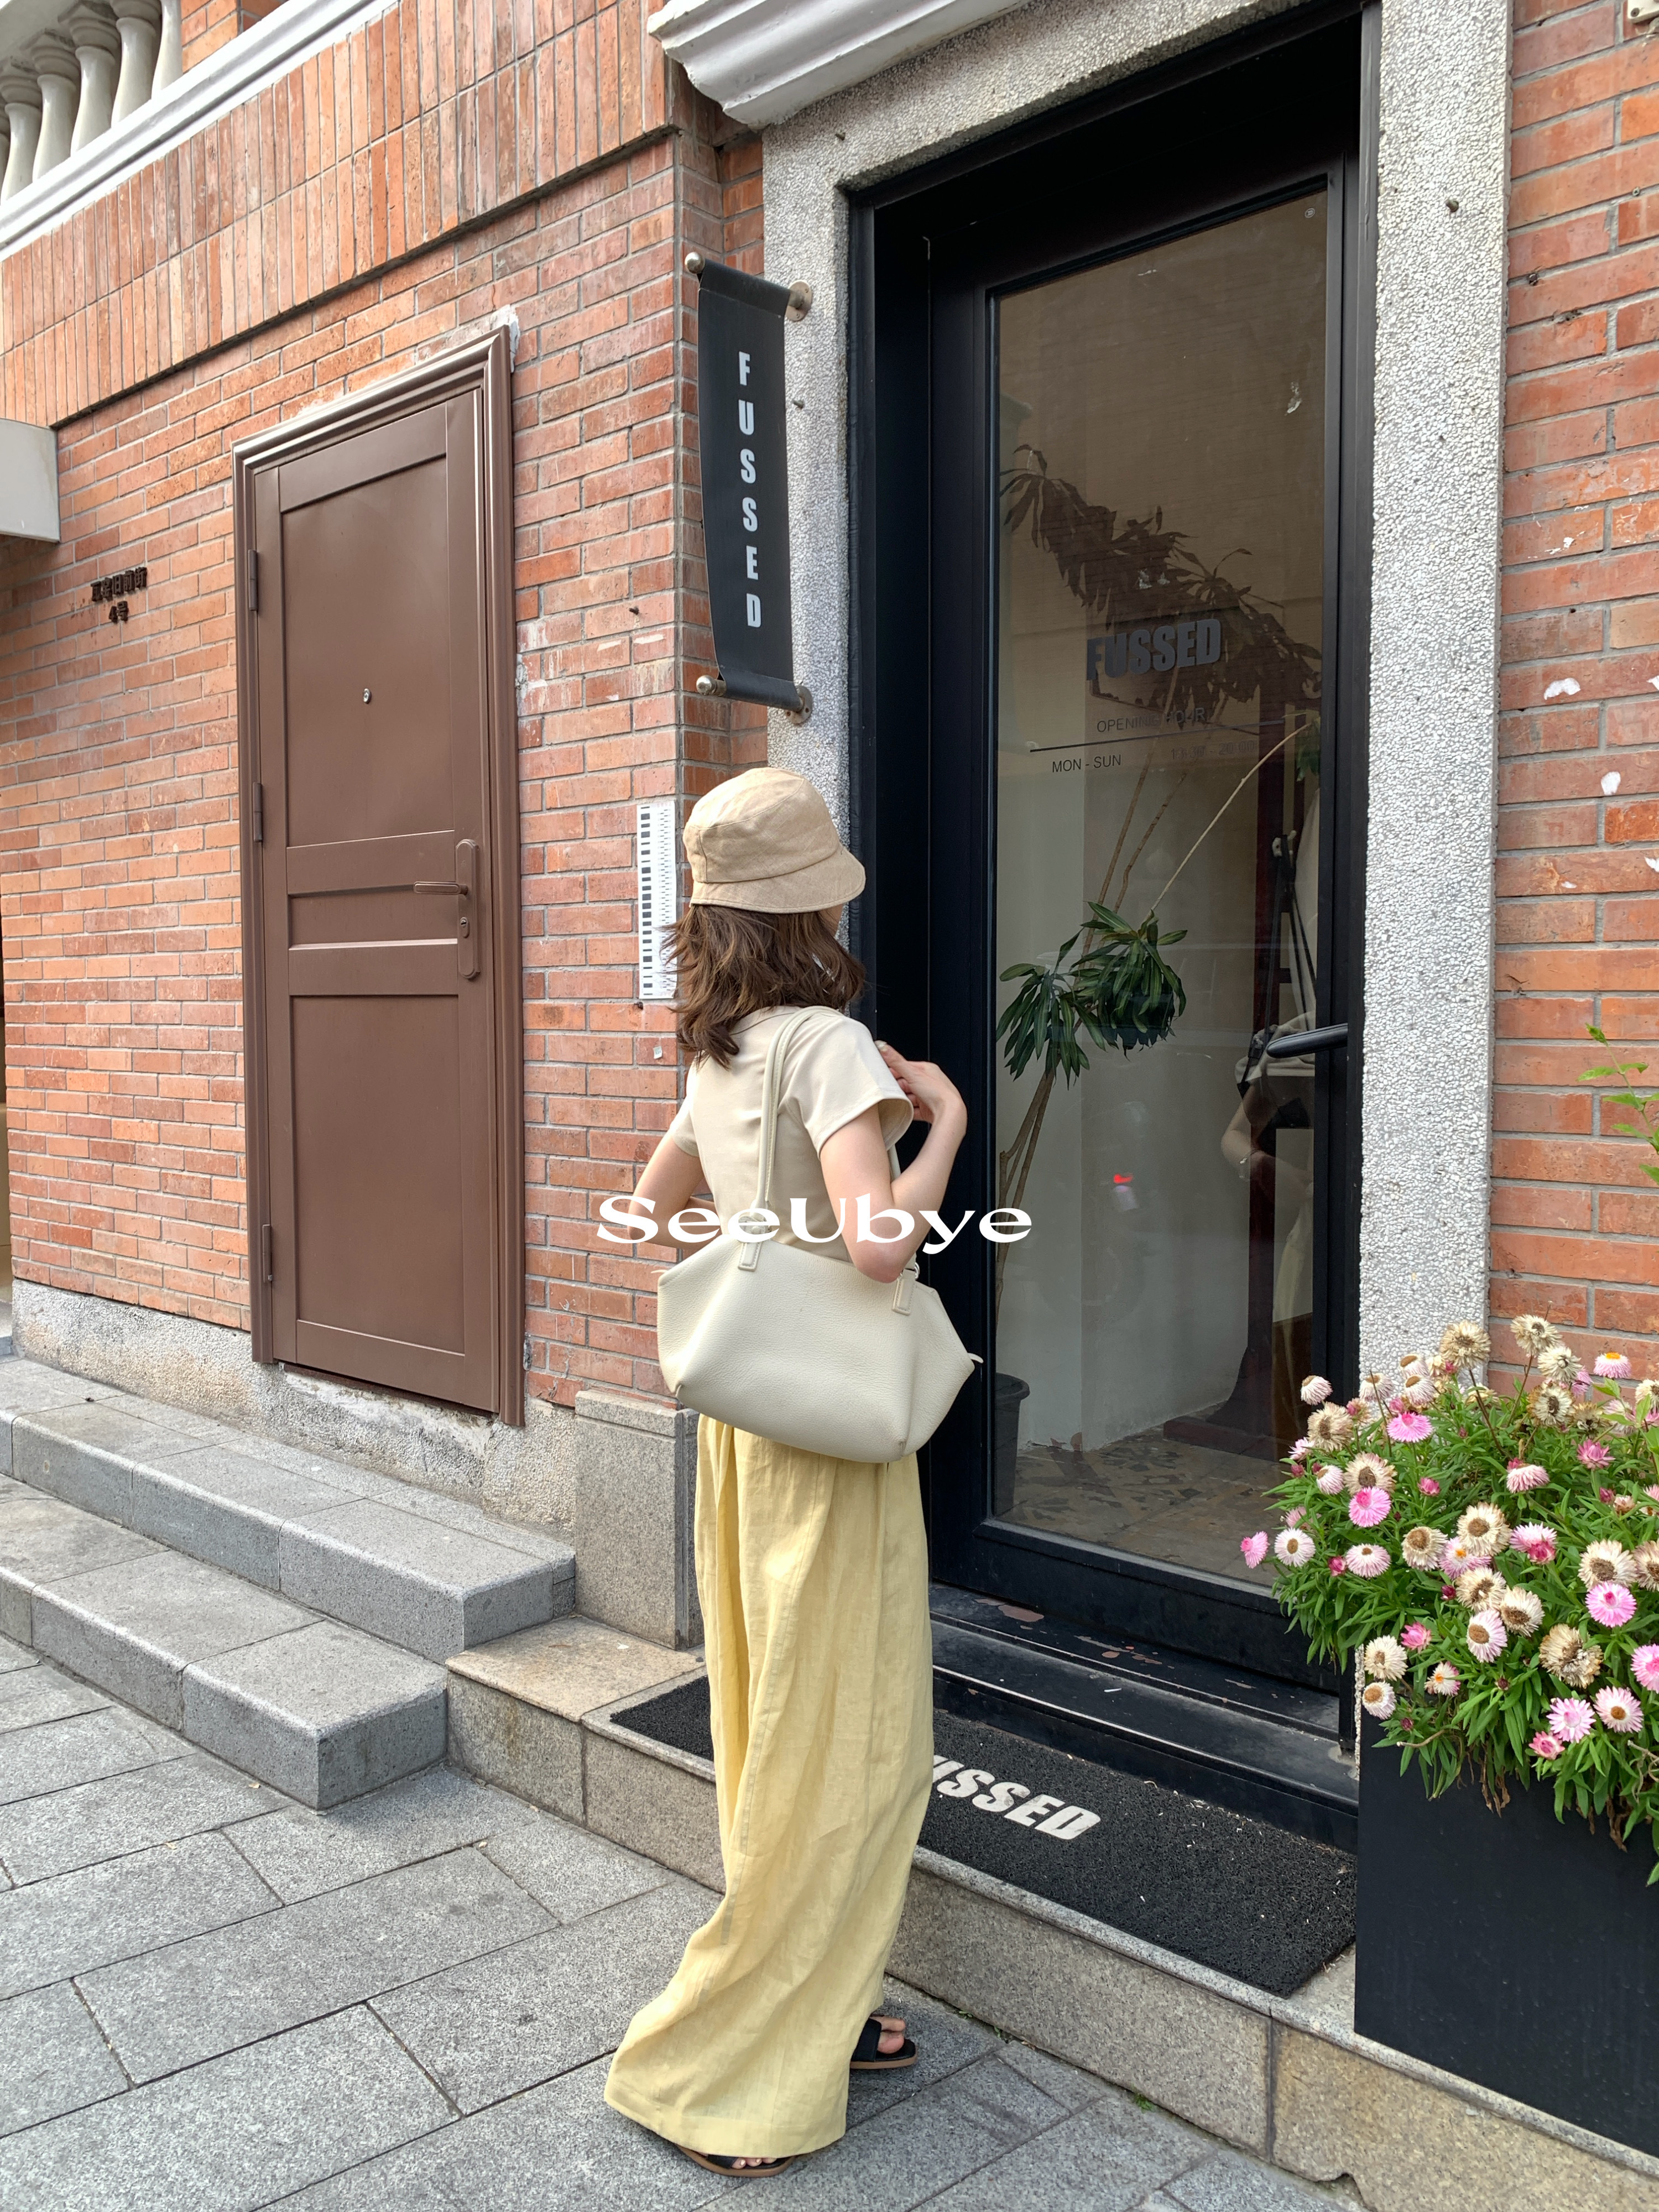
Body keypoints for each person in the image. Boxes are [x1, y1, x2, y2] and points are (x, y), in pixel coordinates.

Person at [603, 766, 968, 2179]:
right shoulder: (828, 1042)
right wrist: (942, 1126)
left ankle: (828, 2006)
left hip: (745, 1440)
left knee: (775, 1735)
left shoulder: (718, 1048)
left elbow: (648, 1213)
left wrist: (753, 1253)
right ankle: (733, 2071)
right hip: (832, 1449)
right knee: (858, 1750)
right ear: (810, 905)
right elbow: (880, 1247)